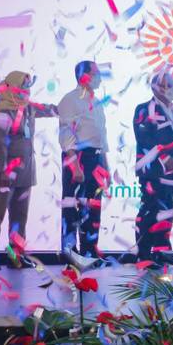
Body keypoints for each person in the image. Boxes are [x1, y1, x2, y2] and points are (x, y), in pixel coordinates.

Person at [0, 71, 57, 271]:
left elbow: (50, 109)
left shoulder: (28, 108)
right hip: (3, 173)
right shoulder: (2, 112)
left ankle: (16, 255)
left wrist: (71, 109)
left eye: (28, 87)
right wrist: (3, 171)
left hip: (25, 172)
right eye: (23, 87)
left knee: (19, 217)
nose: (27, 91)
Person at [133, 69, 173, 264]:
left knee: (167, 210)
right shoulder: (145, 109)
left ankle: (162, 250)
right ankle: (144, 254)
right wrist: (163, 157)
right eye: (168, 86)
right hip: (154, 172)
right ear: (157, 87)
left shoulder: (172, 111)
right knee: (150, 210)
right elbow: (144, 138)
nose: (172, 90)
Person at [58, 60, 109, 269]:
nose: (99, 77)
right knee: (73, 208)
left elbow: (102, 136)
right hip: (77, 158)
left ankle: (89, 250)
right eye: (95, 73)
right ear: (83, 75)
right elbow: (66, 132)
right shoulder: (70, 100)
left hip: (96, 159)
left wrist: (105, 165)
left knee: (93, 207)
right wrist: (74, 166)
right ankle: (70, 255)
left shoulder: (96, 101)